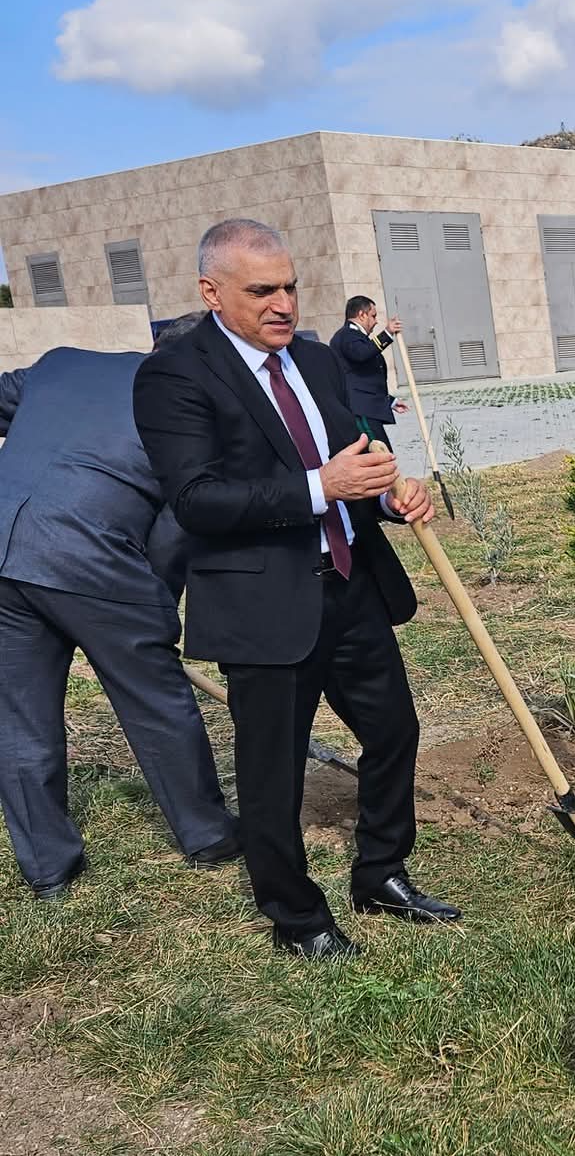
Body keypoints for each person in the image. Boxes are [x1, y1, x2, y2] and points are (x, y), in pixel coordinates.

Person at [133, 218, 459, 958]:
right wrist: (322, 486)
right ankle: (297, 918)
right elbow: (198, 500)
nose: (282, 303)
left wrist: (383, 495)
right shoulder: (175, 376)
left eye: (290, 286)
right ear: (211, 292)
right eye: (262, 291)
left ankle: (380, 872)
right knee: (273, 770)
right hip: (262, 605)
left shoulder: (312, 361)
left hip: (350, 585)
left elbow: (353, 459)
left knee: (393, 732)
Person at [0, 347, 239, 898]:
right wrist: (152, 609)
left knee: (18, 714)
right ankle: (207, 835)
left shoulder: (60, 363)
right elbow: (179, 523)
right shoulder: (189, 404)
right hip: (91, 550)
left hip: (4, 548)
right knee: (156, 699)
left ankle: (48, 869)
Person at [330, 296, 409, 446]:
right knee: (379, 456)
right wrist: (387, 333)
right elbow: (362, 354)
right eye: (373, 316)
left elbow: (364, 378)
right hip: (360, 411)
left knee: (381, 456)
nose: (376, 321)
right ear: (361, 315)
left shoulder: (357, 337)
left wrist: (390, 401)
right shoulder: (346, 335)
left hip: (366, 408)